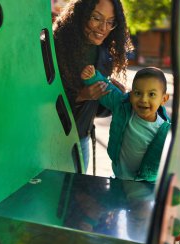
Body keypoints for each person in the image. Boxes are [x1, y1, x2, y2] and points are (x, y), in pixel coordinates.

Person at [53, 0, 133, 170]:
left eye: (110, 22)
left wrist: (111, 96)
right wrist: (81, 95)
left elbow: (95, 110)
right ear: (81, 14)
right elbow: (37, 97)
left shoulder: (104, 55)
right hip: (49, 138)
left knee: (76, 194)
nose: (103, 28)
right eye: (96, 18)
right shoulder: (54, 46)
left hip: (81, 138)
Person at [81, 66, 172, 182]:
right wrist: (93, 78)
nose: (143, 99)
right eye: (138, 93)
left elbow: (176, 150)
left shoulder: (165, 130)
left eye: (151, 94)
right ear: (131, 94)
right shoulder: (123, 107)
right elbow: (109, 92)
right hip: (119, 178)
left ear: (164, 99)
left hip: (147, 184)